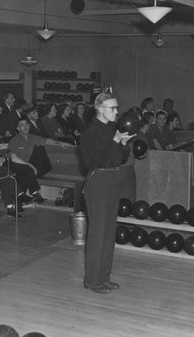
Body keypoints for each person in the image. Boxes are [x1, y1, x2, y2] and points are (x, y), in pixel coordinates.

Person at [80, 92, 134, 294]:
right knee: (97, 234)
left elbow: (118, 159)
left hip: (112, 180)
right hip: (98, 182)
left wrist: (122, 143)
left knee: (109, 233)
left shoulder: (113, 129)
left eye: (117, 108)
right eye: (112, 108)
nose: (117, 112)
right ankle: (92, 281)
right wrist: (116, 142)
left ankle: (104, 278)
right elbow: (97, 161)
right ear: (100, 108)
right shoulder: (90, 132)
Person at [8, 117, 64, 205]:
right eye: (22, 125)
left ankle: (18, 203)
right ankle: (34, 193)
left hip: (24, 166)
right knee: (28, 170)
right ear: (18, 129)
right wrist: (30, 165)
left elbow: (46, 141)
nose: (25, 127)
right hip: (13, 163)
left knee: (23, 177)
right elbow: (14, 158)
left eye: (26, 124)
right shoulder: (14, 140)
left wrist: (59, 142)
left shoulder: (32, 137)